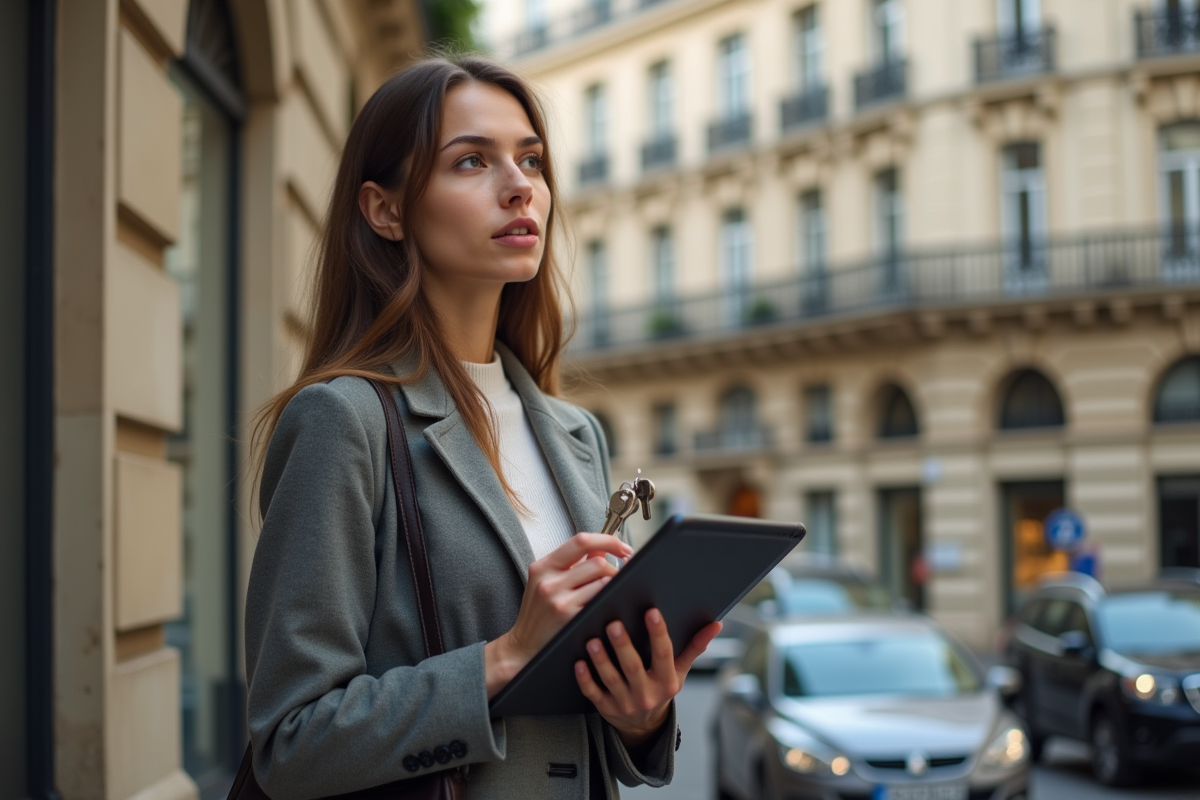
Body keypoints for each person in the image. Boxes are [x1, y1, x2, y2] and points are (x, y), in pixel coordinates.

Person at [245, 55, 721, 799]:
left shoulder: (576, 434)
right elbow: (291, 741)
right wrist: (502, 659)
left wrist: (641, 712)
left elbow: (589, 721)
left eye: (531, 159)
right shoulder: (343, 421)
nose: (520, 184)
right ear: (385, 210)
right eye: (472, 160)